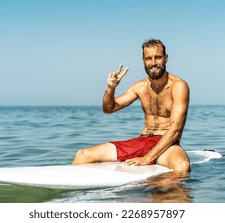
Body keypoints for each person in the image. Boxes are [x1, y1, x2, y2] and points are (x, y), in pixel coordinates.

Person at [72, 38, 190, 173]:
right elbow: (108, 109)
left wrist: (147, 158)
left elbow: (175, 130)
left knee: (182, 166)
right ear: (143, 61)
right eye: (148, 58)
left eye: (157, 58)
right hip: (142, 140)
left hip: (166, 144)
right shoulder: (140, 87)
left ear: (166, 58)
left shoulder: (178, 86)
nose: (153, 63)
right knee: (82, 155)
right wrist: (110, 89)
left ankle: (166, 192)